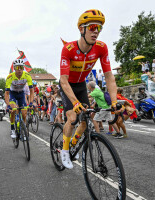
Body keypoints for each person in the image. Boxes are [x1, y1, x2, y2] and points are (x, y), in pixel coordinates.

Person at [59, 9, 120, 169]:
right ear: (81, 29)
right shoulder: (69, 49)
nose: (96, 32)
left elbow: (109, 77)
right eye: (93, 27)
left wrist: (114, 102)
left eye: (99, 28)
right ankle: (64, 151)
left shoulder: (101, 48)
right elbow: (64, 81)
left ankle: (73, 143)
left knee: (86, 121)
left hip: (80, 85)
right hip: (68, 85)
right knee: (73, 117)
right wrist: (74, 103)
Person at [5, 59, 34, 139]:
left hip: (21, 93)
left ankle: (23, 130)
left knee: (24, 114)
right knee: (13, 110)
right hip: (13, 93)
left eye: (21, 67)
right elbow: (6, 94)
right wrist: (8, 105)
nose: (19, 69)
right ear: (14, 68)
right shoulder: (10, 77)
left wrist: (31, 103)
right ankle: (12, 129)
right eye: (17, 67)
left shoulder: (27, 75)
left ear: (23, 67)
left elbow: (32, 91)